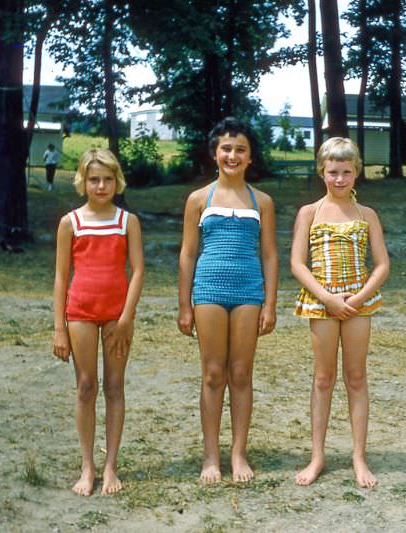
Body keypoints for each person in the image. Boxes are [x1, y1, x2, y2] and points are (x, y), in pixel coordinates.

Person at [177, 117, 278, 484]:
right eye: (226, 149)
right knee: (213, 373)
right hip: (208, 293)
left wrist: (270, 302)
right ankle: (210, 457)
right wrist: (184, 304)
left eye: (240, 150)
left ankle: (238, 453)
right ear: (215, 154)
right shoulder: (198, 199)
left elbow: (269, 254)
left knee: (240, 373)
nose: (232, 155)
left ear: (250, 157)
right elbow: (188, 253)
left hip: (249, 291)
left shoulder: (262, 201)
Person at [291, 137, 390, 489]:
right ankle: (317, 455)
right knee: (322, 378)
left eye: (346, 172)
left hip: (358, 305)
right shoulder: (310, 213)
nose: (339, 179)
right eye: (333, 172)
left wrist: (360, 297)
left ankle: (358, 456)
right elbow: (297, 263)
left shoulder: (367, 216)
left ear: (356, 173)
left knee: (357, 377)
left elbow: (381, 265)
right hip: (321, 303)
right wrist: (327, 299)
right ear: (322, 172)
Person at [52, 148, 145, 496]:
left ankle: (111, 467)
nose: (101, 186)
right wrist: (59, 327)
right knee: (86, 386)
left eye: (108, 179)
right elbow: (61, 277)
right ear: (83, 182)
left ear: (116, 181)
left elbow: (138, 272)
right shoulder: (70, 222)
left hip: (117, 316)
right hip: (80, 313)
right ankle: (87, 467)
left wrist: (126, 317)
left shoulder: (127, 221)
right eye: (94, 179)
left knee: (115, 386)